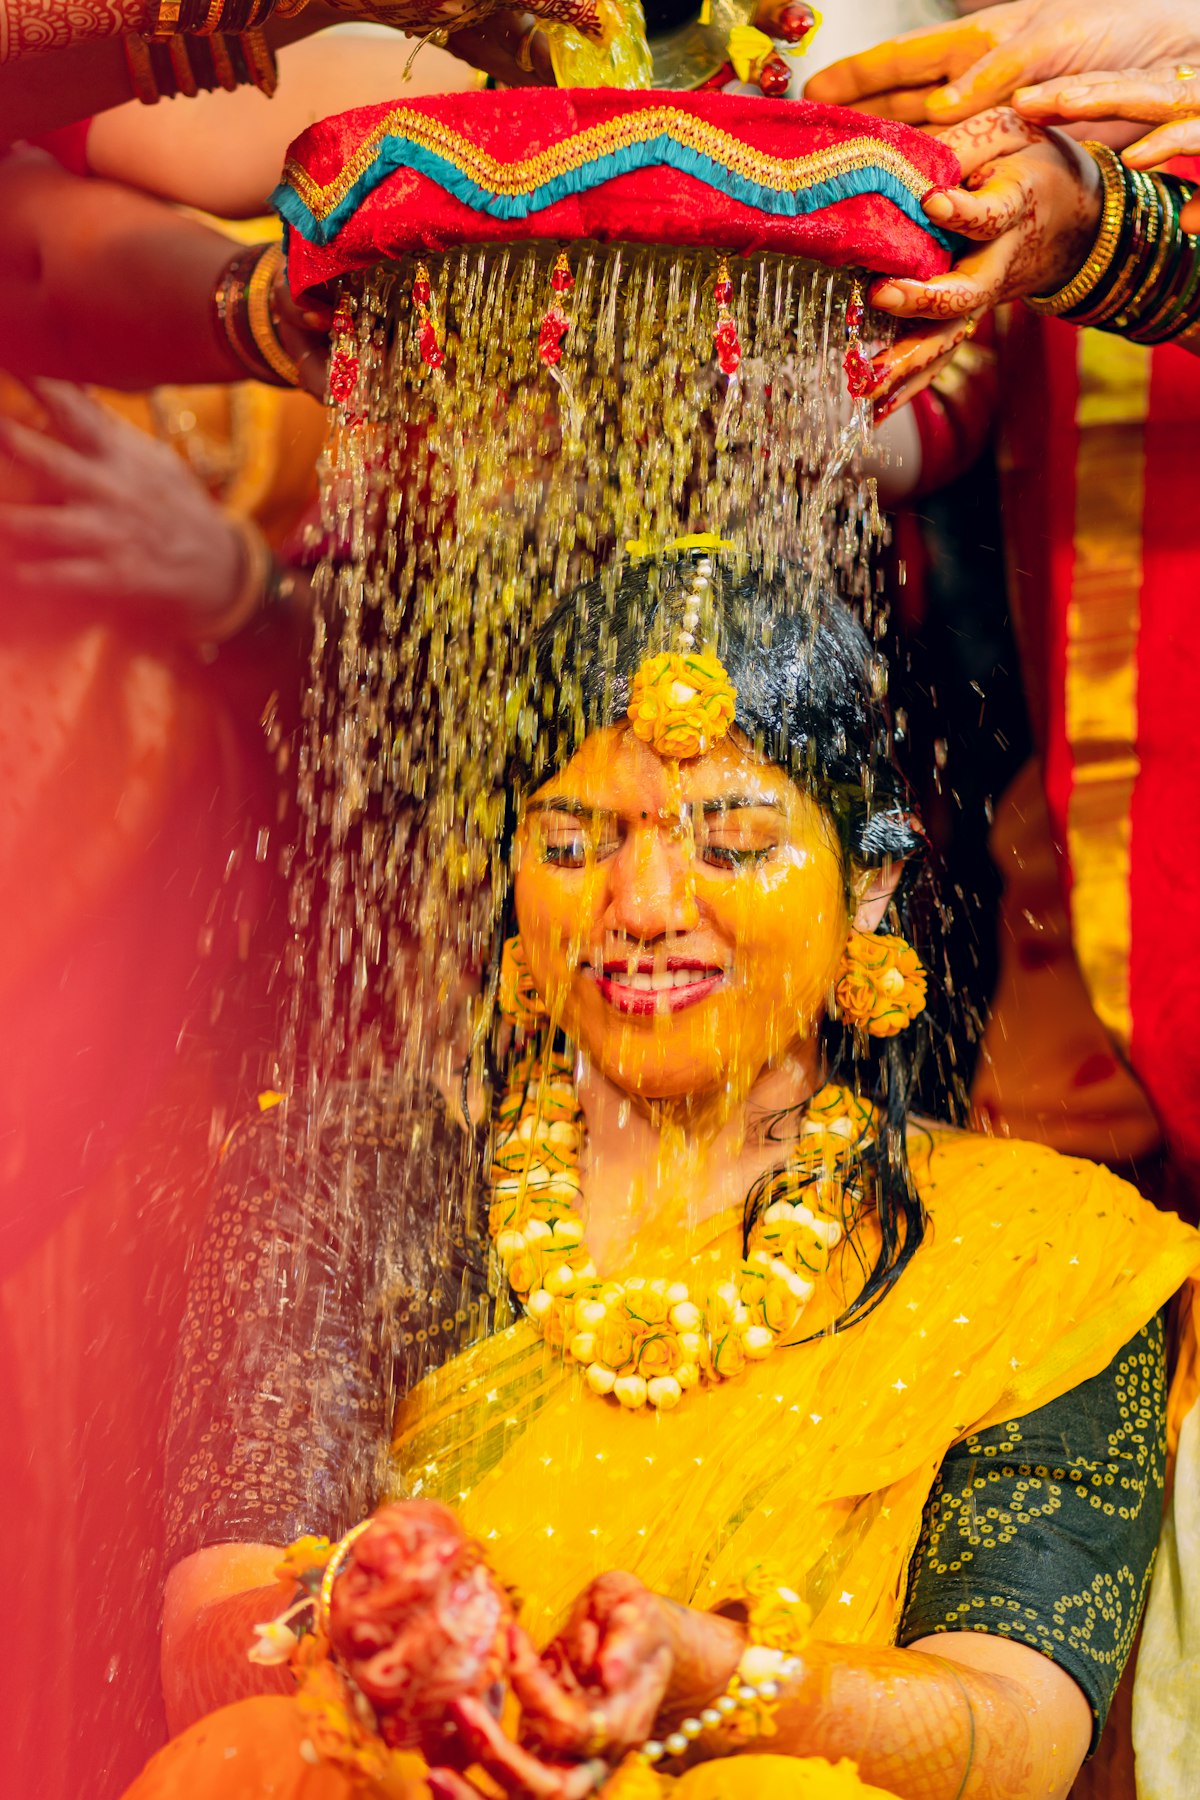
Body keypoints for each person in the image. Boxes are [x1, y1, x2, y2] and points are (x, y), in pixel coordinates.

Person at [113, 551, 1198, 1800]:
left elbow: (1017, 1728)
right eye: (572, 842)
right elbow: (210, 1624)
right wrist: (388, 1649)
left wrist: (713, 1680)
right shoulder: (355, 1175)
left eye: (731, 845)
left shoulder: (1047, 1260)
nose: (640, 903)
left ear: (876, 879)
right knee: (249, 1758)